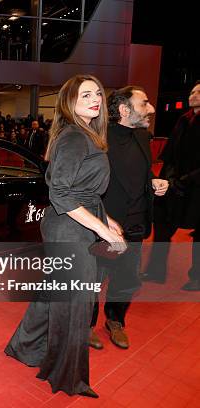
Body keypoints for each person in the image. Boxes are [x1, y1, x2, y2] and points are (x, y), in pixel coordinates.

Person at [5, 74, 126, 398]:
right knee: (74, 304)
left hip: (76, 221)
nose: (95, 99)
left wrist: (107, 219)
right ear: (69, 101)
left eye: (97, 93)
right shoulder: (74, 136)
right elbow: (60, 193)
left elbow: (82, 191)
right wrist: (101, 228)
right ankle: (66, 375)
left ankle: (24, 347)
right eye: (85, 95)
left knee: (53, 294)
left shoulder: (85, 135)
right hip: (70, 228)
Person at [89, 86, 168, 350]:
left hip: (137, 224)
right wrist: (102, 224)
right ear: (125, 110)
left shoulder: (144, 136)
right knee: (94, 280)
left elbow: (140, 175)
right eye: (144, 103)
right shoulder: (98, 139)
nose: (152, 109)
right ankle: (85, 325)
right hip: (107, 227)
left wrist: (153, 182)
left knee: (127, 279)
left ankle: (115, 321)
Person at [142, 81, 200, 291]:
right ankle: (156, 271)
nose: (192, 94)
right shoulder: (184, 119)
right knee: (162, 225)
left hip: (196, 187)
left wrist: (185, 180)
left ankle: (197, 277)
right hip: (174, 184)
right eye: (192, 90)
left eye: (197, 92)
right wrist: (167, 179)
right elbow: (169, 154)